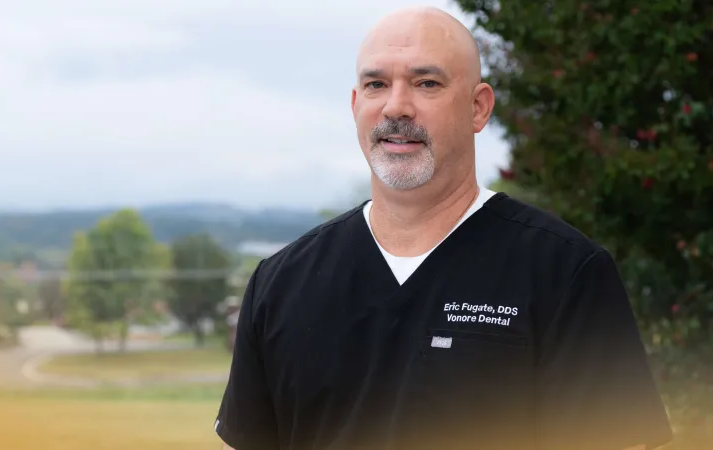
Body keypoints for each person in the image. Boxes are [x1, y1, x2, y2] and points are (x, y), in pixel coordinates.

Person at [214, 6, 673, 450]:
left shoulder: (566, 275)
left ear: (478, 108)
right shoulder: (279, 284)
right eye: (376, 84)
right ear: (356, 105)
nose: (397, 106)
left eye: (426, 82)